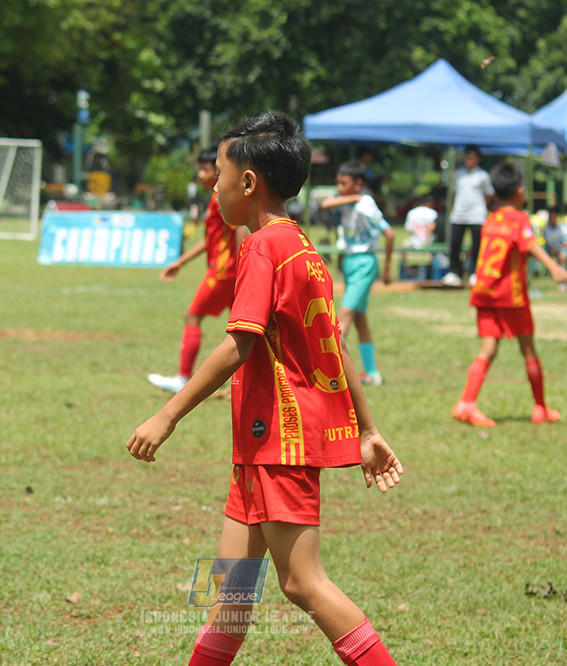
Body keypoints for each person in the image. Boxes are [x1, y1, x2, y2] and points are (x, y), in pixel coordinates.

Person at [126, 111, 403, 666]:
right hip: (259, 445)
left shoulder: (260, 247)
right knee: (227, 601)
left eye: (220, 174)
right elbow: (336, 345)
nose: (213, 185)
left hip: (281, 442)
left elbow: (239, 344)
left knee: (302, 583)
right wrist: (368, 429)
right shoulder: (301, 246)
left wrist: (167, 414)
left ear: (248, 182)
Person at [451, 161, 567, 427]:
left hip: (484, 291)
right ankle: (540, 408)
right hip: (510, 295)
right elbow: (529, 244)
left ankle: (467, 403)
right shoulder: (519, 218)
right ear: (519, 191)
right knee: (528, 349)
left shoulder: (491, 219)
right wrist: (553, 267)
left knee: (488, 349)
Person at [148, 145, 248, 393]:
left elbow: (240, 229)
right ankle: (248, 382)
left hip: (223, 273)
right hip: (231, 272)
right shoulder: (217, 199)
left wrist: (243, 266)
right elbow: (211, 238)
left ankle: (184, 378)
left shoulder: (220, 199)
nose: (201, 175)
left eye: (206, 170)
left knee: (193, 317)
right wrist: (181, 261)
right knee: (243, 329)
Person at [319, 160, 395, 385]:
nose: (339, 187)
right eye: (338, 183)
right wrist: (352, 197)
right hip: (351, 262)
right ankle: (372, 373)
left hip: (364, 263)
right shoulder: (351, 201)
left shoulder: (366, 206)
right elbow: (324, 205)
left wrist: (387, 269)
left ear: (358, 184)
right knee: (360, 319)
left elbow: (389, 233)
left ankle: (331, 372)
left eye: (344, 183)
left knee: (344, 316)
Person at [442, 145, 494, 287]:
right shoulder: (458, 174)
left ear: (478, 159)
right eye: (467, 157)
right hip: (459, 214)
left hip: (477, 214)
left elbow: (489, 195)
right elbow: (453, 193)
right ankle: (455, 272)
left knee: (477, 245)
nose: (468, 160)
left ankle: (475, 273)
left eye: (471, 157)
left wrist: (481, 208)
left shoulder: (483, 175)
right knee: (455, 244)